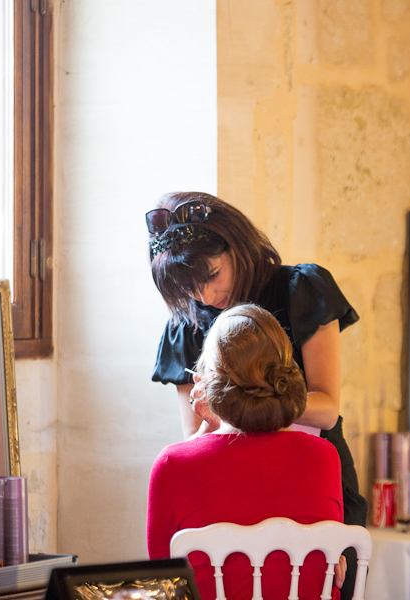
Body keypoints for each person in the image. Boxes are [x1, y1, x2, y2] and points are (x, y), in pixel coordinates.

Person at [147, 192, 368, 598]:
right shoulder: (185, 328)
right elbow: (195, 438)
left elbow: (328, 408)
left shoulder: (301, 289)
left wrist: (246, 401)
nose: (206, 297)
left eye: (212, 275)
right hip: (228, 495)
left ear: (236, 243)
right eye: (190, 287)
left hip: (314, 487)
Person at [147, 304, 344, 600]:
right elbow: (331, 567)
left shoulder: (173, 465)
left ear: (206, 384)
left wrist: (202, 430)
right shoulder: (324, 457)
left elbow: (161, 579)